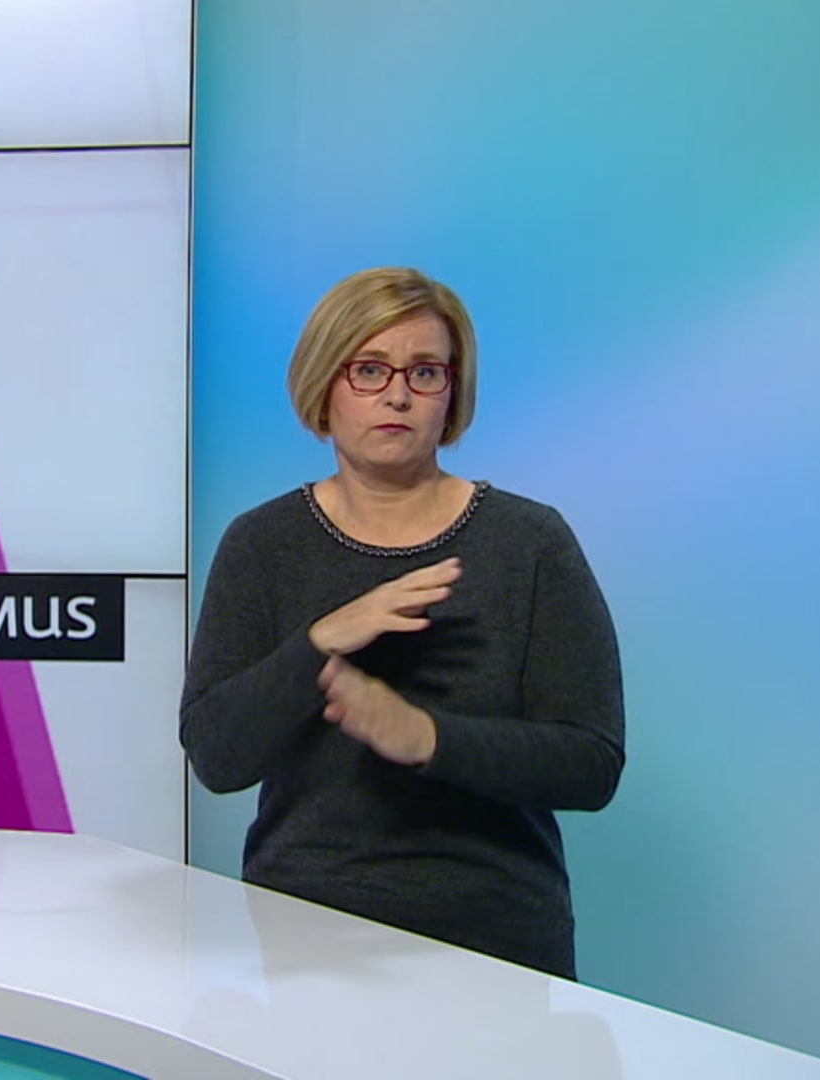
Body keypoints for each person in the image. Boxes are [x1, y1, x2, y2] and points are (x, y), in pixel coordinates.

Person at [179, 267, 624, 980]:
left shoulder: (531, 542)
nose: (397, 395)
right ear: (325, 384)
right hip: (307, 942)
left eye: (424, 372)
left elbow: (591, 764)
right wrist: (320, 643)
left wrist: (426, 738)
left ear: (451, 394)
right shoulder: (262, 544)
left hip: (497, 944)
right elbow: (215, 755)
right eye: (369, 370)